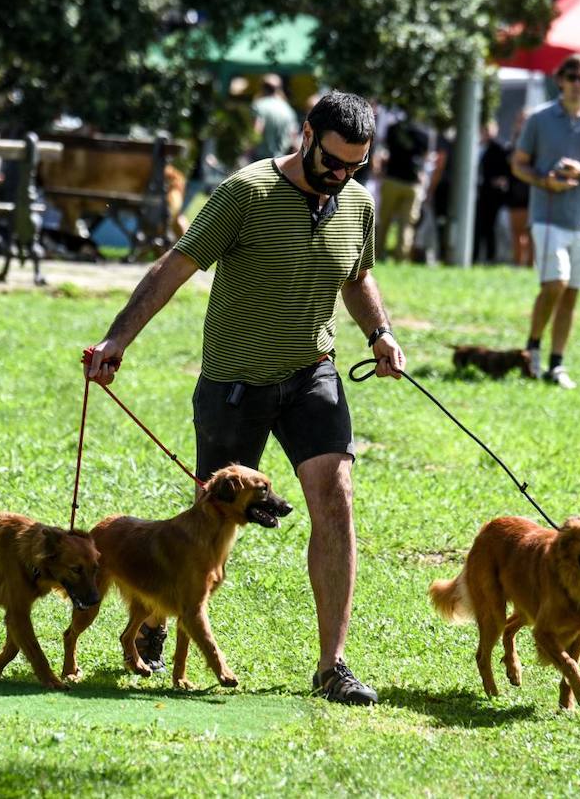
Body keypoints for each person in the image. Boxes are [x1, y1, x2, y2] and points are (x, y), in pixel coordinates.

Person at [84, 92, 405, 706]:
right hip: (235, 384)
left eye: (355, 167)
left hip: (313, 375)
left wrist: (380, 332)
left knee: (335, 503)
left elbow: (357, 275)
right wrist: (117, 338)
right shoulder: (245, 194)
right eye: (333, 162)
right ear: (306, 134)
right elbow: (175, 267)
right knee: (208, 536)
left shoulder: (355, 204)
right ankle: (155, 616)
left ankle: (332, 665)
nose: (341, 177)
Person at [509, 53, 580, 390]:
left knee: (571, 293)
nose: (576, 84)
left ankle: (556, 364)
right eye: (571, 77)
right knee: (554, 284)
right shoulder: (539, 118)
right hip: (547, 216)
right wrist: (546, 181)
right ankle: (533, 347)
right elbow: (518, 164)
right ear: (559, 80)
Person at [378, 115, 433, 262]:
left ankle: (376, 254)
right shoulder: (424, 133)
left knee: (384, 220)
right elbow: (427, 157)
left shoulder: (394, 129)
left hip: (392, 179)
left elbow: (384, 150)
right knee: (407, 224)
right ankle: (401, 257)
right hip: (413, 183)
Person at [473, 120, 512, 264]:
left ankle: (490, 256)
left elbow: (507, 170)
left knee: (489, 227)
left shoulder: (500, 147)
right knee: (479, 226)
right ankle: (475, 256)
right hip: (480, 192)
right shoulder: (477, 146)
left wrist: (500, 180)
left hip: (492, 195)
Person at [505, 109, 533, 267]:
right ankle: (518, 262)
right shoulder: (512, 144)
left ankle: (530, 265)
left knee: (531, 234)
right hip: (515, 193)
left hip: (531, 192)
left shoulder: (536, 144)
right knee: (516, 231)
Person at [250, 73, 299, 161]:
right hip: (281, 160)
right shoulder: (288, 109)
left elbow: (257, 132)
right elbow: (293, 136)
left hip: (261, 160)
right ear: (279, 88)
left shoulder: (259, 105)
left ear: (262, 88)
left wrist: (246, 152)